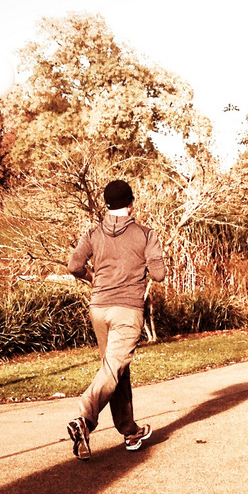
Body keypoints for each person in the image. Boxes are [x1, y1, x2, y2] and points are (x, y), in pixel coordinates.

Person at [65, 179, 165, 460]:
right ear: (131, 203)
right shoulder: (145, 234)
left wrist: (91, 277)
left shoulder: (93, 233)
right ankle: (84, 418)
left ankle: (130, 431)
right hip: (127, 310)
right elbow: (158, 274)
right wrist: (149, 263)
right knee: (113, 369)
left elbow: (74, 265)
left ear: (107, 205)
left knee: (116, 368)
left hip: (98, 308)